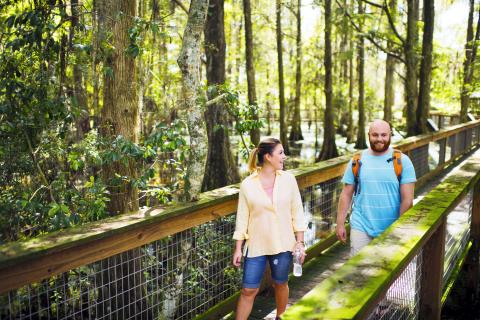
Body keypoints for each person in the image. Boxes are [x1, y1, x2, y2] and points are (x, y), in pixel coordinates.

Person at [232, 137, 306, 320]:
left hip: (283, 244)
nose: (284, 156)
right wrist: (238, 248)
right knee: (248, 290)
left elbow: (298, 212)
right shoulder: (247, 184)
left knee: (280, 284)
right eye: (280, 153)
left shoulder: (289, 180)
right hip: (255, 245)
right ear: (267, 157)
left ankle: (281, 317)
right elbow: (242, 217)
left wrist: (300, 242)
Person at [336, 120, 416, 256]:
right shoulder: (356, 160)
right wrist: (340, 223)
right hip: (360, 225)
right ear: (368, 135)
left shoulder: (403, 161)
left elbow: (407, 200)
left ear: (390, 135)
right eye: (375, 135)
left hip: (391, 226)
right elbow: (346, 194)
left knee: (386, 272)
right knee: (357, 271)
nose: (380, 139)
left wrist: (398, 228)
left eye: (384, 135)